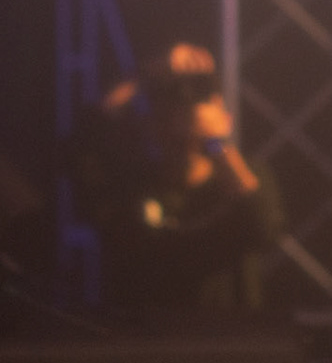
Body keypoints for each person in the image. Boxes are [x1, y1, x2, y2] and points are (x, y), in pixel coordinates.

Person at [69, 42, 284, 313]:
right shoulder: (135, 185)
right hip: (150, 333)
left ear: (225, 119)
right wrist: (143, 75)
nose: (184, 116)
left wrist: (214, 143)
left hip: (228, 333)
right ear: (152, 124)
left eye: (201, 104)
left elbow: (264, 228)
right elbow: (82, 147)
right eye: (168, 111)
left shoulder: (247, 176)